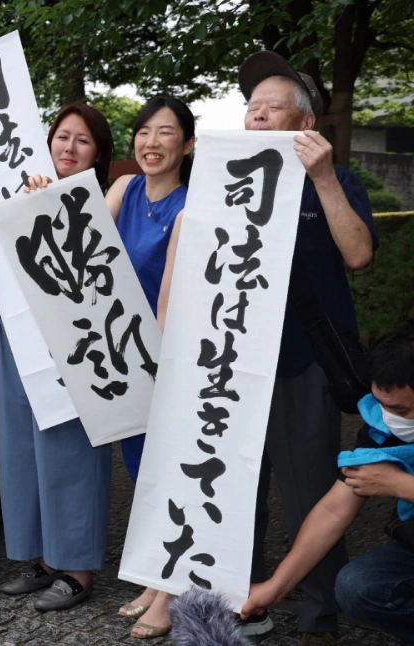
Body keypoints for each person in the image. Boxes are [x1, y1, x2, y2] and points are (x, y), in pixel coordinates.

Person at [238, 51, 377, 646]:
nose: (257, 117)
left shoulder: (337, 180)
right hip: (235, 359)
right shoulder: (228, 179)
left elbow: (359, 255)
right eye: (251, 109)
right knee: (233, 491)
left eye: (272, 109)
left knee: (309, 490)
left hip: (302, 363)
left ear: (306, 126)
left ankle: (320, 618)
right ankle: (239, 603)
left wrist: (321, 178)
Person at [0, 105, 115, 610]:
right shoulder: (24, 191)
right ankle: (42, 557)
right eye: (61, 137)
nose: (67, 147)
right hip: (20, 333)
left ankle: (78, 566)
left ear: (99, 153)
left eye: (81, 140)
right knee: (23, 446)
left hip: (77, 337)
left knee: (71, 449)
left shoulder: (108, 200)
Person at [242, 324, 414, 645]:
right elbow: (334, 510)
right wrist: (275, 586)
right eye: (380, 404)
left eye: (399, 410)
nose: (388, 417)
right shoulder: (382, 428)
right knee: (357, 585)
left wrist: (402, 485)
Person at [103, 96, 196, 640]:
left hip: (165, 358)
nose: (151, 142)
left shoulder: (191, 205)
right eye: (143, 131)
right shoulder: (124, 189)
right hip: (122, 355)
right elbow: (80, 242)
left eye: (166, 133)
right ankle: (155, 579)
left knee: (170, 475)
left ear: (187, 144)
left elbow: (174, 297)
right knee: (143, 477)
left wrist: (157, 368)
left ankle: (174, 590)